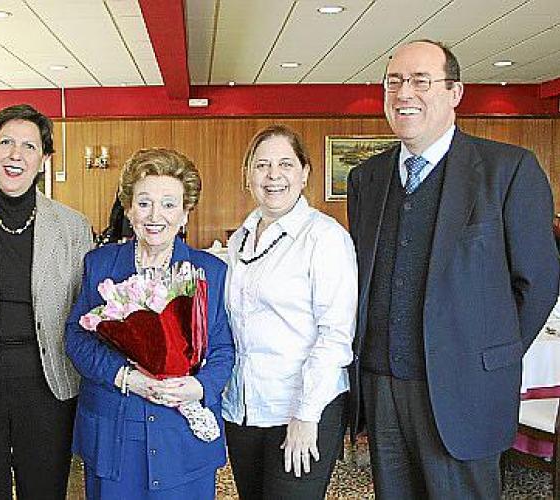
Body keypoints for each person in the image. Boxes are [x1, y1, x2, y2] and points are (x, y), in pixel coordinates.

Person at [347, 40, 560, 499]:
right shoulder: (366, 178)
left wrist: (486, 356)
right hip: (382, 390)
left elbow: (539, 283)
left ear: (455, 92)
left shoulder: (508, 171)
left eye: (420, 81)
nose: (404, 93)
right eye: (394, 82)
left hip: (465, 391)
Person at [65, 148, 235, 499]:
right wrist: (127, 378)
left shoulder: (211, 272)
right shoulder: (99, 265)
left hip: (182, 436)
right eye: (144, 203)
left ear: (185, 213)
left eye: (169, 204)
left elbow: (223, 348)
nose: (155, 216)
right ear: (129, 209)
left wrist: (198, 387)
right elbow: (77, 338)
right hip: (115, 434)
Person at [0, 104, 92, 499]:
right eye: (6, 143)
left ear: (44, 159)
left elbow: (86, 313)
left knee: (44, 491)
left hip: (50, 387)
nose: (16, 155)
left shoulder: (73, 226)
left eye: (29, 146)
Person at [223, 125, 358, 499]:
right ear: (248, 175)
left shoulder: (325, 237)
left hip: (302, 408)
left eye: (285, 164)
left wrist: (306, 414)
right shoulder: (240, 238)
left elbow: (335, 335)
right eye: (262, 165)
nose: (273, 175)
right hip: (244, 409)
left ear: (304, 173)